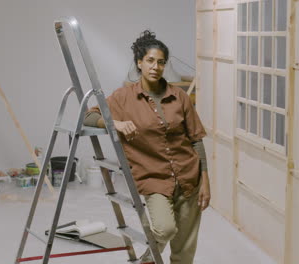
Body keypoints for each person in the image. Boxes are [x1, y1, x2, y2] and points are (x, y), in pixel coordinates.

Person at [84, 30, 210, 264]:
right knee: (164, 229)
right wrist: (116, 123)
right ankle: (148, 258)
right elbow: (88, 117)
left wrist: (205, 181)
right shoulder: (123, 97)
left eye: (161, 62)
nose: (156, 67)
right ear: (139, 62)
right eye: (150, 61)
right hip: (154, 177)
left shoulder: (179, 97)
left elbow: (195, 139)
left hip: (189, 176)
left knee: (185, 249)